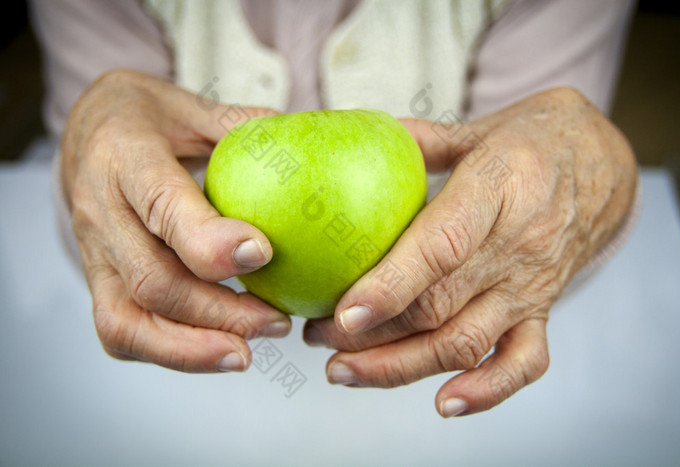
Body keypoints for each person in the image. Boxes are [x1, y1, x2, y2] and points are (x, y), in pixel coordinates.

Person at [30, 0, 639, 418]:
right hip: (185, 396)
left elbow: (536, 216)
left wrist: (586, 179)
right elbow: (102, 200)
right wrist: (90, 152)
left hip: (451, 386)